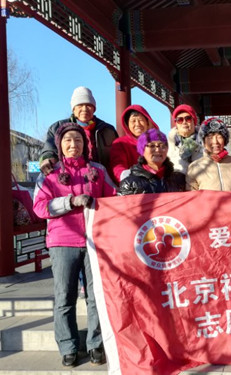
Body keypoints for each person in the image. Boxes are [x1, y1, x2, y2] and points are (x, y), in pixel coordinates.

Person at [33, 123, 116, 367]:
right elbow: (39, 208)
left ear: (85, 145)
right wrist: (69, 202)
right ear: (59, 145)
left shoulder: (98, 171)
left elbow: (114, 200)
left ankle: (95, 343)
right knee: (64, 296)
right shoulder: (49, 174)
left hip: (94, 241)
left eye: (78, 140)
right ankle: (68, 345)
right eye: (68, 140)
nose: (73, 145)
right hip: (62, 242)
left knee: (95, 296)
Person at [39, 86, 118, 175]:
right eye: (80, 105)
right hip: (71, 178)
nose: (84, 109)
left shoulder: (108, 130)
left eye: (88, 105)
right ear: (73, 109)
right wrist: (47, 159)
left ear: (94, 108)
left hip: (102, 178)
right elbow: (49, 150)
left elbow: (117, 156)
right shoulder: (58, 128)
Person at [118, 129, 185, 195]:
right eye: (152, 145)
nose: (158, 150)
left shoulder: (179, 180)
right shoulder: (130, 183)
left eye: (162, 145)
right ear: (142, 150)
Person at [186, 117, 231, 191]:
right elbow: (191, 197)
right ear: (203, 142)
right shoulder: (194, 167)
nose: (215, 142)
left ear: (225, 140)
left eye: (219, 136)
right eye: (210, 137)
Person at [109, 104, 159, 183]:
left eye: (141, 120)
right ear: (127, 125)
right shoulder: (120, 143)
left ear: (147, 122)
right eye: (133, 121)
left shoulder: (158, 142)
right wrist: (130, 178)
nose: (137, 124)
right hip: (133, 187)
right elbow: (118, 167)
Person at [167, 104, 203, 175]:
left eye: (188, 118)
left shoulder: (206, 141)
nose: (184, 122)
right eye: (179, 120)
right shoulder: (169, 144)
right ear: (176, 124)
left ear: (194, 121)